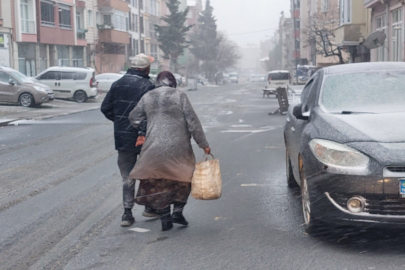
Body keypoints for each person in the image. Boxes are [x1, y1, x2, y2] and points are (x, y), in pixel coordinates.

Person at [128, 71, 211, 231]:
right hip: (179, 148)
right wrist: (203, 144)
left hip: (153, 147)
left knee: (159, 181)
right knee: (183, 178)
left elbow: (134, 117)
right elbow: (192, 121)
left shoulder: (148, 96)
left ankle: (165, 215)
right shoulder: (180, 96)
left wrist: (146, 126)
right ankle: (178, 211)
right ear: (173, 82)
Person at [101, 53, 155, 227]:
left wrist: (120, 121)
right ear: (146, 68)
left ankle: (127, 213)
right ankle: (149, 207)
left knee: (127, 176)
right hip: (144, 138)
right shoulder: (148, 86)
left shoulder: (117, 84)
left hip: (123, 137)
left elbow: (105, 108)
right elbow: (150, 113)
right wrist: (142, 129)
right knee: (148, 173)